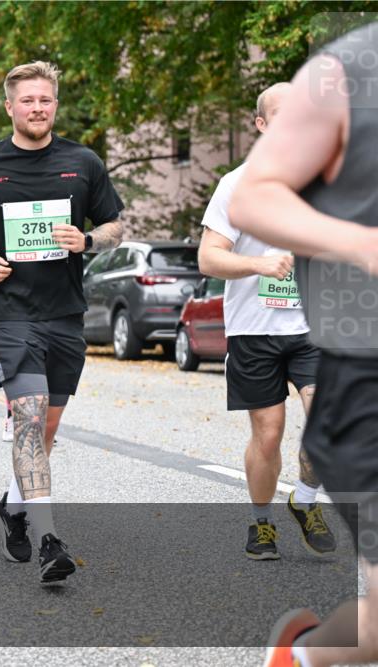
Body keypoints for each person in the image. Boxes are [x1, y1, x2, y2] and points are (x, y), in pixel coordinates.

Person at [0, 61, 124, 583]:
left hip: (64, 313)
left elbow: (114, 225)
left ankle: (13, 506)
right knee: (29, 416)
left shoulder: (82, 162)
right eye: (27, 100)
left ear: (54, 105)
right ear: (10, 107)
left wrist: (88, 240)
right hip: (10, 314)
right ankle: (48, 539)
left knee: (46, 430)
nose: (37, 108)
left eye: (45, 100)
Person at [228, 22, 378, 667]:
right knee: (269, 433)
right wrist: (357, 247)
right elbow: (253, 203)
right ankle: (308, 655)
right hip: (322, 351)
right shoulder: (349, 68)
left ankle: (305, 656)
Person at [199, 83, 336, 561]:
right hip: (254, 329)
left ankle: (305, 497)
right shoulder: (236, 185)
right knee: (269, 432)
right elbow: (209, 259)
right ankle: (261, 524)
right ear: (260, 125)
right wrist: (259, 265)